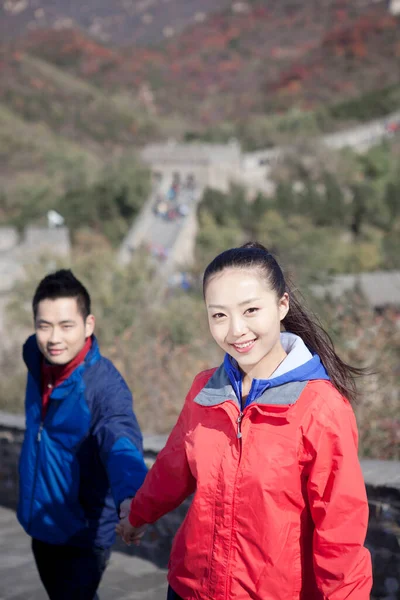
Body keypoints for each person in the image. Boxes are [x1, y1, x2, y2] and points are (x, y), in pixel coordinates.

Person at [117, 242, 373, 599]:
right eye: (219, 315)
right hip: (191, 588)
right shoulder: (205, 390)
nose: (236, 330)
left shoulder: (320, 407)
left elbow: (340, 528)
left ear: (281, 305)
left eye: (250, 309)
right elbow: (173, 467)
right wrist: (137, 514)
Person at [18, 269, 148, 600]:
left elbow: (120, 442)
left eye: (66, 325)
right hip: (41, 522)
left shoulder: (104, 389)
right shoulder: (36, 359)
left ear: (88, 325)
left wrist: (132, 496)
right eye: (44, 326)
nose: (53, 338)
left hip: (82, 536)